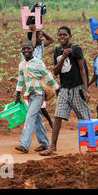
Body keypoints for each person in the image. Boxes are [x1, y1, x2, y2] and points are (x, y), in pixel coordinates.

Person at [40, 26, 91, 156]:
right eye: (60, 35)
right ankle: (53, 147)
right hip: (64, 89)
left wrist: (86, 90)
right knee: (57, 117)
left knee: (85, 117)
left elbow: (82, 70)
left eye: (65, 35)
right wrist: (63, 57)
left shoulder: (76, 49)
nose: (62, 37)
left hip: (77, 88)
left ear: (70, 36)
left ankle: (92, 145)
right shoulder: (57, 51)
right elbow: (56, 72)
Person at [14, 40, 59, 154]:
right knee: (37, 119)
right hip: (29, 95)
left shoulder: (38, 62)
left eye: (28, 48)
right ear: (21, 51)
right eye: (24, 49)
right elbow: (20, 80)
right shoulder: (21, 64)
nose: (26, 50)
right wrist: (17, 95)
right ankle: (44, 143)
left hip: (39, 94)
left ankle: (25, 144)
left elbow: (47, 76)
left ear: (33, 49)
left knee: (30, 117)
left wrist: (57, 87)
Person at [23, 24, 55, 129]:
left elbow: (51, 40)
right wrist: (34, 32)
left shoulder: (40, 45)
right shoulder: (26, 50)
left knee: (39, 103)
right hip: (32, 79)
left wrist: (40, 30)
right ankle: (49, 122)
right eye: (40, 37)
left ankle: (47, 123)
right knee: (38, 103)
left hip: (41, 78)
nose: (42, 38)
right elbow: (32, 44)